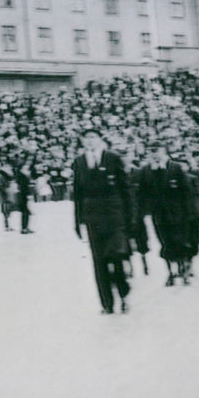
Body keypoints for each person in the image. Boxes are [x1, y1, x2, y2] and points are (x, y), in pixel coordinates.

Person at [72, 127, 133, 314]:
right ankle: (107, 303)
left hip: (114, 215)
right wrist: (77, 221)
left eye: (93, 137)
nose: (89, 141)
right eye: (86, 138)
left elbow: (126, 190)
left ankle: (123, 294)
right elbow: (77, 194)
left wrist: (130, 218)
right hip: (92, 217)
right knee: (99, 261)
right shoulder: (79, 162)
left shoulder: (113, 158)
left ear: (100, 139)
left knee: (115, 256)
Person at [137, 140, 197, 286]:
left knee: (181, 242)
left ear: (164, 151)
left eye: (157, 150)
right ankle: (172, 271)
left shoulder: (175, 168)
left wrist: (190, 213)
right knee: (165, 243)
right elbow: (142, 194)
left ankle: (184, 269)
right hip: (159, 215)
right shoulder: (145, 171)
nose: (154, 154)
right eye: (151, 151)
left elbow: (187, 193)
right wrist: (145, 211)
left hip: (179, 214)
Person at [16, 162, 34, 234]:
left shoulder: (22, 175)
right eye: (25, 168)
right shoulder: (22, 176)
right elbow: (23, 187)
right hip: (22, 196)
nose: (27, 169)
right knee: (25, 212)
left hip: (22, 196)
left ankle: (25, 227)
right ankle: (24, 228)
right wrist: (28, 194)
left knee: (25, 212)